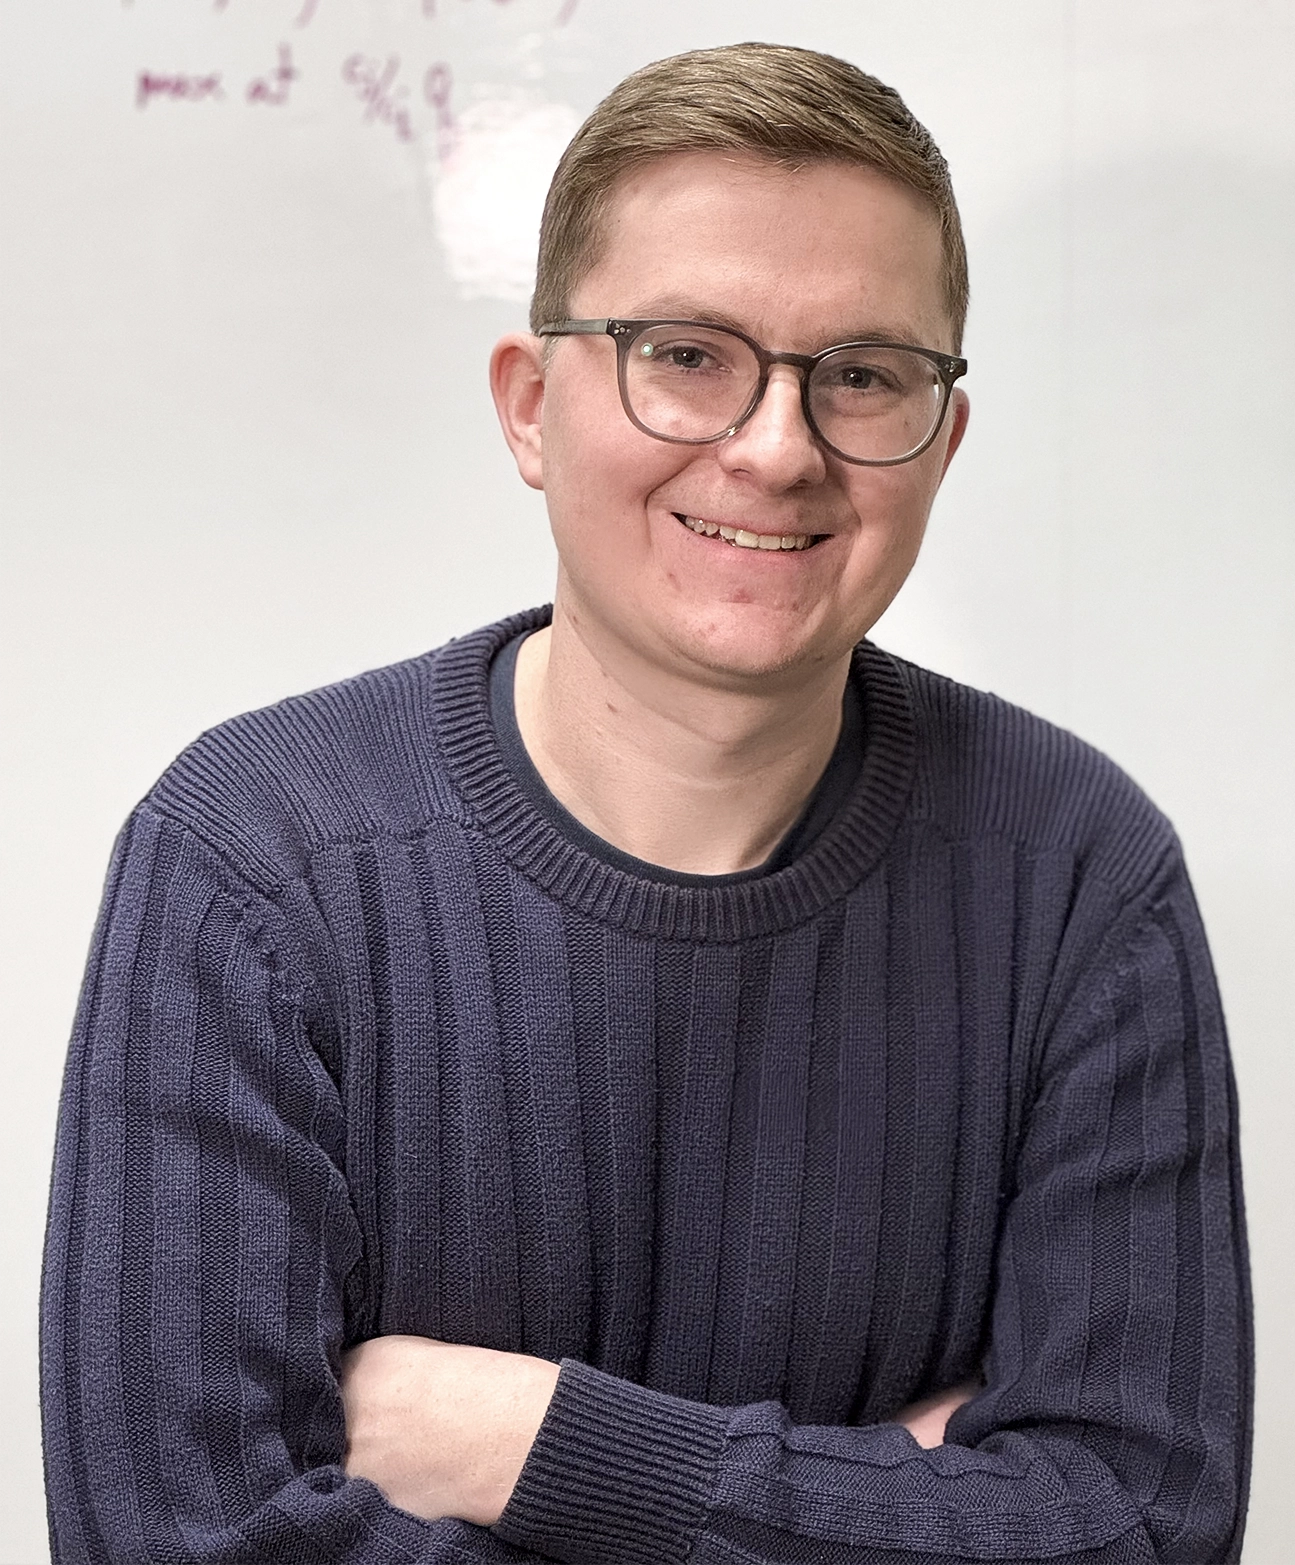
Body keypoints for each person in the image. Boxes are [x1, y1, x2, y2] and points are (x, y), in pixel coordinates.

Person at [41, 40, 1250, 1565]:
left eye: (862, 374)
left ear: (941, 441)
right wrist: (893, 1498)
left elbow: (1139, 1527)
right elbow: (181, 1545)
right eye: (686, 353)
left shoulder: (1080, 874)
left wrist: (533, 1445)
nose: (773, 447)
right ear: (530, 407)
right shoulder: (248, 864)